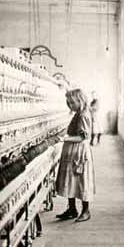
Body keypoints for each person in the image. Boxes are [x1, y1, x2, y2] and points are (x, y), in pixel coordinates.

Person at [55, 89, 96, 222]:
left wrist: (64, 139)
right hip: (73, 151)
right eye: (68, 102)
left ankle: (86, 211)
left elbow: (82, 137)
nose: (70, 105)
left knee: (81, 181)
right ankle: (72, 209)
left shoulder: (83, 115)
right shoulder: (78, 113)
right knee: (71, 180)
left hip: (79, 151)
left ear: (81, 100)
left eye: (72, 102)